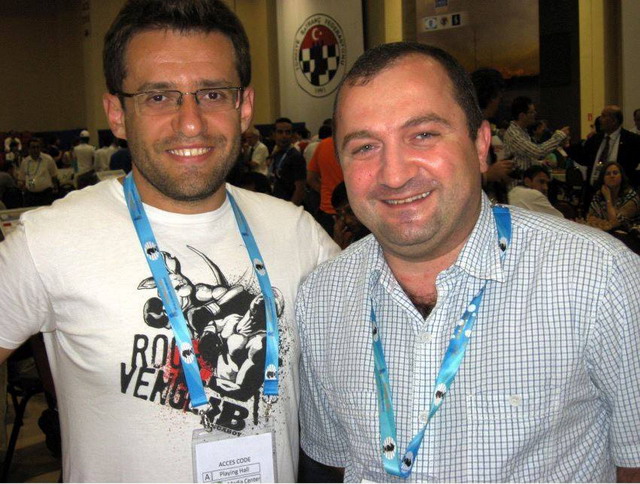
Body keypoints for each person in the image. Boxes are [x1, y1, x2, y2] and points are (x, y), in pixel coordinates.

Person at [0, 1, 338, 481]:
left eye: (213, 94)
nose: (191, 123)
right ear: (117, 113)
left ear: (244, 107)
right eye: (159, 96)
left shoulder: (298, 233)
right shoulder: (49, 241)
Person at [296, 42, 640, 482]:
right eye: (364, 147)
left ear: (480, 144)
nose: (394, 174)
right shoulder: (320, 298)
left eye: (423, 135)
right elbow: (333, 460)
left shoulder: (599, 277)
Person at [577, 105, 640, 191]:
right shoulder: (596, 138)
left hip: (620, 193)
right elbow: (583, 158)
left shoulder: (632, 140)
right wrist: (567, 146)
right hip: (594, 191)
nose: (600, 119)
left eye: (603, 116)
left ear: (614, 121)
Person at [503, 96, 569, 172]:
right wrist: (560, 135)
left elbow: (523, 159)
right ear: (522, 115)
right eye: (531, 112)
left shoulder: (522, 131)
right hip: (517, 179)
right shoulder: (514, 134)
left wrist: (540, 163)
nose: (535, 113)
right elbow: (538, 152)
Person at [586, 161, 639, 231]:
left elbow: (614, 222)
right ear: (603, 178)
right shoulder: (598, 196)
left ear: (621, 176)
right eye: (608, 174)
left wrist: (608, 199)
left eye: (615, 173)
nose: (612, 176)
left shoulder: (631, 196)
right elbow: (591, 218)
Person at [306, 136, 344, 236]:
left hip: (327, 209)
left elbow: (311, 178)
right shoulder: (360, 144)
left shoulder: (323, 145)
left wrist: (326, 193)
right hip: (355, 213)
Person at [270, 117, 307, 205]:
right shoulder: (276, 154)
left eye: (288, 132)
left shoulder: (296, 157)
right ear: (274, 135)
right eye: (280, 132)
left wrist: (291, 209)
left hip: (289, 205)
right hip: (278, 203)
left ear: (292, 135)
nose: (284, 136)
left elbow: (300, 189)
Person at [17, 138, 59, 206]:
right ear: (29, 149)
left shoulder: (48, 159)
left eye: (38, 147)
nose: (36, 150)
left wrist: (55, 189)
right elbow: (22, 179)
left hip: (46, 194)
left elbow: (54, 175)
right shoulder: (25, 162)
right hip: (30, 195)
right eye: (33, 147)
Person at [330, 181, 369, 249]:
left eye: (351, 212)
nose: (347, 220)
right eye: (340, 215)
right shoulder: (348, 239)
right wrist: (337, 244)